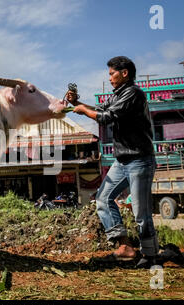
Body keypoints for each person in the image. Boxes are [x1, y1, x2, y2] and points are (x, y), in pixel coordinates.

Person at [66, 56, 159, 268]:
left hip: (139, 159)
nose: (109, 78)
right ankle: (124, 246)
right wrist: (76, 103)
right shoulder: (118, 95)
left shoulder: (133, 94)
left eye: (111, 73)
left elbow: (105, 117)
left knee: (141, 212)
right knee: (103, 199)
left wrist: (83, 111)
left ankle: (151, 255)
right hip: (122, 160)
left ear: (124, 73)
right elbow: (100, 110)